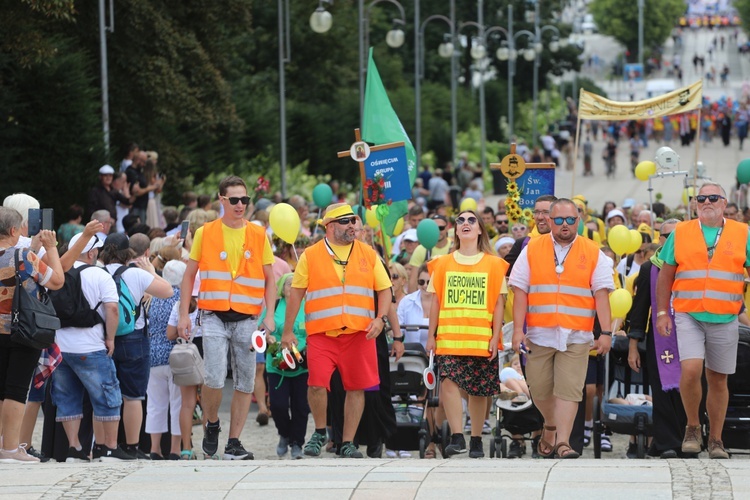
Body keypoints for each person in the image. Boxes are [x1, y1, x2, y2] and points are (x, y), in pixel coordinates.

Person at [280, 203, 391, 459]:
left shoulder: (368, 253)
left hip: (359, 333)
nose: (352, 224)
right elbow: (296, 294)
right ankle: (320, 431)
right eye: (344, 221)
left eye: (353, 220)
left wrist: (380, 319)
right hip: (322, 334)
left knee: (357, 388)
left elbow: (384, 289)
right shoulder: (310, 255)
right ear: (329, 226)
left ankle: (348, 442)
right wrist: (287, 331)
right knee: (317, 385)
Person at [179, 175, 276, 460]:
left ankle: (234, 441)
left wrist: (269, 317)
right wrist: (184, 314)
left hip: (247, 319)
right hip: (213, 315)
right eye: (233, 199)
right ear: (221, 200)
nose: (240, 205)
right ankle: (211, 424)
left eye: (244, 200)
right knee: (214, 376)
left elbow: (270, 279)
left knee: (246, 381)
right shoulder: (206, 232)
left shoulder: (258, 234)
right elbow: (188, 276)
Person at [510, 198, 614, 459]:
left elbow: (601, 294)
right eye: (559, 220)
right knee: (539, 388)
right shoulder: (532, 248)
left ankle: (564, 442)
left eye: (570, 220)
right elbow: (520, 291)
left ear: (578, 221)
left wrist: (606, 332)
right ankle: (550, 425)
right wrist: (517, 331)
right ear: (549, 221)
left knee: (570, 390)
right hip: (538, 334)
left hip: (577, 335)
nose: (565, 224)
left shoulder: (593, 251)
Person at [655, 182, 750, 459]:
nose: (706, 202)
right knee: (692, 370)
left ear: (724, 203)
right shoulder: (682, 231)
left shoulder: (742, 232)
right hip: (688, 313)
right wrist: (662, 312)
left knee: (719, 379)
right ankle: (693, 426)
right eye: (701, 198)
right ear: (695, 203)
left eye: (713, 198)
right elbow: (665, 275)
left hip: (725, 315)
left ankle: (717, 439)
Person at [425, 209, 507, 459]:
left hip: (481, 338)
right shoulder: (442, 263)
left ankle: (476, 440)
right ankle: (458, 436)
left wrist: (496, 336)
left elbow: (498, 304)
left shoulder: (493, 264)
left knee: (479, 391)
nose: (465, 223)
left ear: (480, 229)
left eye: (472, 220)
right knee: (448, 382)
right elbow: (436, 302)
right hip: (449, 338)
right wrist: (431, 335)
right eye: (460, 220)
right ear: (456, 230)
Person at [51, 232, 134, 462]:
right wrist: (110, 338)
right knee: (107, 396)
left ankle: (74, 448)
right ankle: (108, 447)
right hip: (91, 346)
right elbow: (112, 310)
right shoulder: (100, 274)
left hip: (61, 348)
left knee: (67, 398)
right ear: (91, 252)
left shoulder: (58, 272)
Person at [100, 232, 173, 459]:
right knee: (133, 397)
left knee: (104, 395)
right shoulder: (135, 274)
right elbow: (168, 290)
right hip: (134, 338)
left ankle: (105, 445)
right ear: (127, 253)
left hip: (103, 338)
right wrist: (150, 271)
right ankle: (132, 446)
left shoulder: (97, 272)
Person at [0, 208, 63, 463]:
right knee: (15, 389)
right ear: (14, 231)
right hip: (21, 330)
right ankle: (11, 449)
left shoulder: (23, 254)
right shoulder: (23, 255)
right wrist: (52, 247)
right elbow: (57, 280)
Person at [627, 219, 687, 459]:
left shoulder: (697, 266)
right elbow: (639, 312)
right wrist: (633, 346)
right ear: (659, 240)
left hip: (692, 336)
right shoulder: (648, 269)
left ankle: (688, 439)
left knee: (690, 390)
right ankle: (667, 443)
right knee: (662, 392)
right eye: (666, 236)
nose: (671, 240)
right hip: (660, 339)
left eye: (677, 236)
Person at [260, 273, 309, 459]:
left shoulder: (307, 307)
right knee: (279, 406)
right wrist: (268, 337)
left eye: (297, 283)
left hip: (301, 363)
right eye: (290, 283)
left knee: (301, 407)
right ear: (282, 287)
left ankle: (297, 443)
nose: (293, 286)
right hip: (277, 363)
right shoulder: (274, 307)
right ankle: (285, 434)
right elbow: (262, 330)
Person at [145, 260, 186, 460]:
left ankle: (154, 448)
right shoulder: (181, 298)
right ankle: (175, 449)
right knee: (177, 403)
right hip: (175, 356)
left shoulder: (154, 297)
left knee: (155, 404)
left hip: (153, 355)